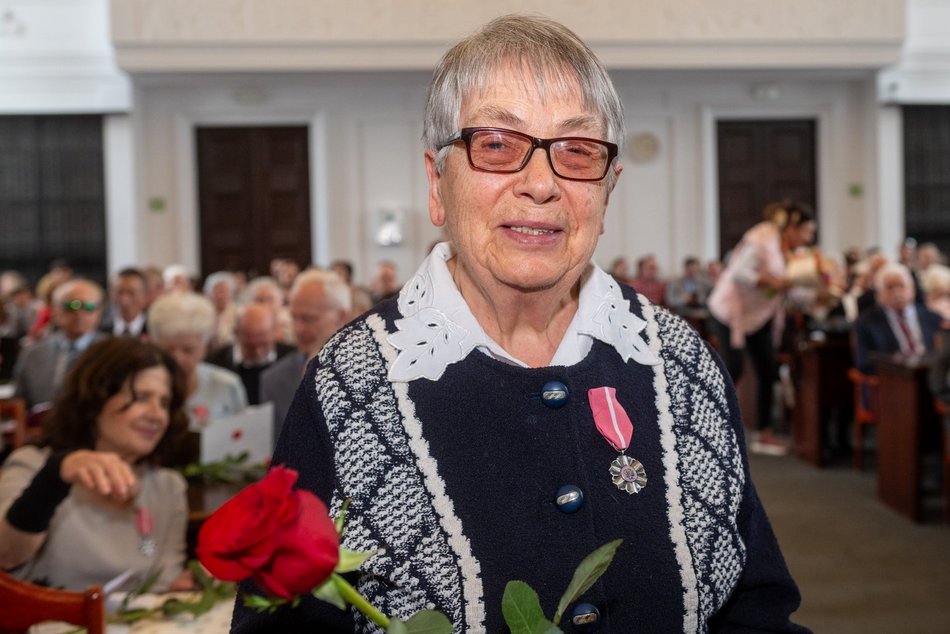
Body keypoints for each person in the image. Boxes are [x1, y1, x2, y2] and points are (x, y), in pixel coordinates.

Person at [232, 14, 805, 633]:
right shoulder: (352, 384)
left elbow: (755, 606)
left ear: (607, 190)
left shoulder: (679, 360)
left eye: (577, 150)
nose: (541, 184)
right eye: (498, 144)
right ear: (436, 183)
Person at [0, 337, 192, 592]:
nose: (157, 415)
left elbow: (165, 583)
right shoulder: (34, 466)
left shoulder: (167, 487)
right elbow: (7, 554)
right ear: (96, 399)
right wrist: (56, 476)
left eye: (164, 403)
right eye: (142, 397)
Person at [707, 200, 817, 453]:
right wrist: (765, 280)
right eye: (807, 232)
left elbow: (790, 287)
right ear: (792, 227)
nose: (809, 238)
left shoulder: (794, 252)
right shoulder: (761, 239)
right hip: (730, 311)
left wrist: (817, 296)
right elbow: (738, 274)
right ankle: (708, 425)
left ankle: (763, 432)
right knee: (732, 367)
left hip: (759, 316)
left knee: (768, 369)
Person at [259, 270, 350, 440]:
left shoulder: (374, 372)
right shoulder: (275, 380)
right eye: (294, 318)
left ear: (341, 316)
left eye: (309, 319)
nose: (299, 329)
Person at [147, 292, 247, 433]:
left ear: (205, 348)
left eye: (188, 350)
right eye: (168, 350)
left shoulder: (227, 386)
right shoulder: (141, 389)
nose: (178, 359)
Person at [14, 279, 107, 409]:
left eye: (89, 307)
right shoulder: (32, 354)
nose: (79, 313)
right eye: (71, 306)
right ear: (54, 310)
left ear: (99, 311)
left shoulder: (115, 353)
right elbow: (19, 404)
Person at [853, 262, 943, 374]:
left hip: (928, 377)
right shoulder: (866, 323)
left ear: (912, 289)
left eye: (901, 286)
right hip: (892, 380)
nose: (897, 292)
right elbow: (863, 363)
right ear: (879, 293)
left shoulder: (934, 318)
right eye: (890, 287)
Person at [205, 302, 294, 405]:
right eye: (249, 346)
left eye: (264, 344)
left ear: (275, 332)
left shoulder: (292, 359)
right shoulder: (215, 363)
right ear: (236, 333)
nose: (258, 352)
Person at [99, 267, 150, 338]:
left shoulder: (153, 330)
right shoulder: (99, 329)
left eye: (131, 293)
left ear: (145, 296)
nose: (124, 300)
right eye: (119, 292)